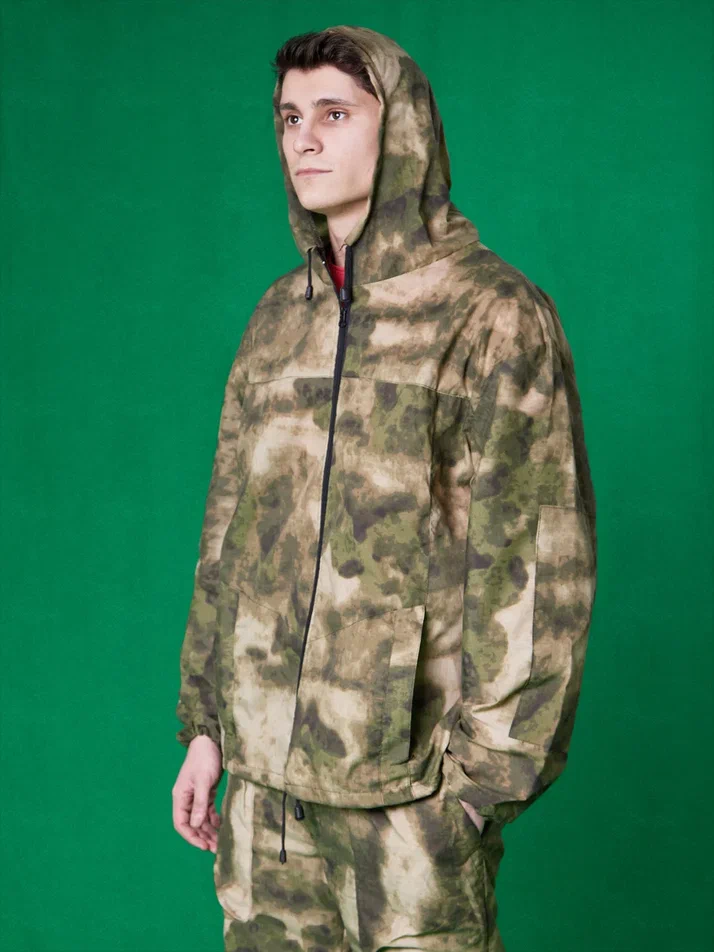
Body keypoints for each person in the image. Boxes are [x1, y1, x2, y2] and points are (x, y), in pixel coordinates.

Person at [172, 24, 598, 952]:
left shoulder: (491, 314)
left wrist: (480, 792)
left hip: (408, 802)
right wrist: (208, 728)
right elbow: (227, 536)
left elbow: (537, 567)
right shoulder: (277, 319)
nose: (305, 140)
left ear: (400, 127)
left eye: (334, 114)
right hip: (266, 803)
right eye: (290, 118)